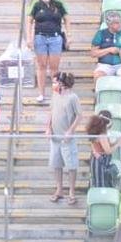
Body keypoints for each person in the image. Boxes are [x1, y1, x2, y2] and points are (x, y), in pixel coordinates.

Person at [27, 0, 69, 103]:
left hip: (55, 37)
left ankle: (55, 92)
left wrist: (69, 34)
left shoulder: (58, 3)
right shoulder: (36, 4)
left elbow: (67, 18)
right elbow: (29, 20)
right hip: (40, 36)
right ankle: (41, 93)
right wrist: (29, 37)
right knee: (41, 65)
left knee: (54, 66)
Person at [46, 72, 81, 205]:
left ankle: (72, 192)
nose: (54, 84)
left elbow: (79, 115)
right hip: (55, 137)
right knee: (56, 164)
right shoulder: (55, 95)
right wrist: (48, 127)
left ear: (62, 84)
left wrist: (71, 130)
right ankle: (59, 189)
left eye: (55, 82)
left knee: (71, 165)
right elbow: (51, 111)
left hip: (67, 139)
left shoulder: (73, 97)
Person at [91, 12, 121, 95]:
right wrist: (108, 50)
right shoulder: (101, 34)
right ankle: (100, 98)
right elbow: (93, 53)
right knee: (98, 76)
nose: (119, 25)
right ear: (109, 25)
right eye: (116, 23)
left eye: (119, 22)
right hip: (105, 65)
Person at [88, 110, 121, 188]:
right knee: (101, 185)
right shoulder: (102, 135)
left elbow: (107, 145)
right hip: (100, 163)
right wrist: (118, 144)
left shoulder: (100, 133)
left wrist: (117, 141)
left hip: (101, 161)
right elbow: (108, 151)